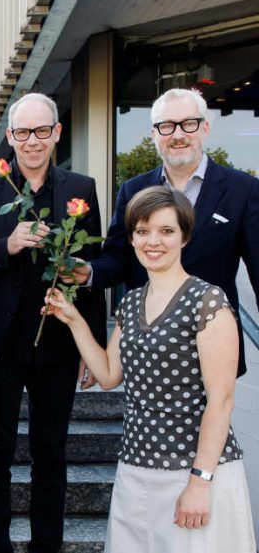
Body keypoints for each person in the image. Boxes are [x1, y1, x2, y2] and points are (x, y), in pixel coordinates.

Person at [44, 186, 256, 552]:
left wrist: (199, 483)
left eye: (166, 231)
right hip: (136, 468)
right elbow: (109, 375)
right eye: (142, 232)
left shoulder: (208, 301)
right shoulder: (132, 301)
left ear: (184, 237)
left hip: (193, 471)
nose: (152, 241)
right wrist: (73, 319)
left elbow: (221, 401)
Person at [0, 92, 106, 553]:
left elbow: (92, 270)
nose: (32, 141)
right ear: (10, 137)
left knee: (51, 454)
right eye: (22, 132)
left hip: (57, 344)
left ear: (57, 132)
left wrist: (89, 345)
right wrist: (8, 246)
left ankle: (47, 547)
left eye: (42, 131)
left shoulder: (83, 186)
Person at [70, 87, 259, 377]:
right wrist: (89, 272)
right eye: (167, 126)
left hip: (212, 343)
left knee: (214, 419)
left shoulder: (242, 190)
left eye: (188, 124)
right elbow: (118, 258)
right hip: (147, 341)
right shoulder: (133, 190)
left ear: (204, 128)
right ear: (154, 134)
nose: (178, 134)